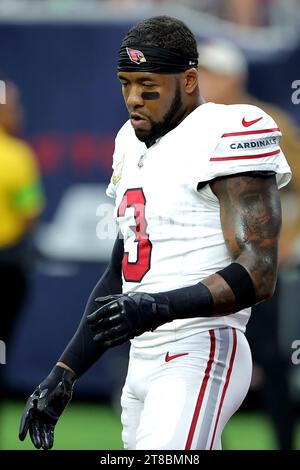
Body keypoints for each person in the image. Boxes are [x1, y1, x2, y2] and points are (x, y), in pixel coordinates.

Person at [19, 16, 291, 451]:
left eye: (147, 85)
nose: (132, 99)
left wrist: (157, 307)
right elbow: (119, 273)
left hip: (198, 346)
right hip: (143, 361)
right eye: (124, 83)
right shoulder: (128, 140)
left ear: (187, 80)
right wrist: (64, 372)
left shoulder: (228, 128)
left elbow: (259, 272)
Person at [197, 39, 300, 449]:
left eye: (211, 72)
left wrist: (285, 241)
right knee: (202, 355)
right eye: (199, 72)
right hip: (205, 262)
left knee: (270, 358)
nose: (202, 80)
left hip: (255, 262)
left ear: (233, 77)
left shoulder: (268, 122)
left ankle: (283, 442)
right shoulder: (190, 126)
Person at [0, 80, 44, 349]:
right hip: (6, 264)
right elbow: (30, 214)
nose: (20, 114)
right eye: (14, 108)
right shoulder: (18, 157)